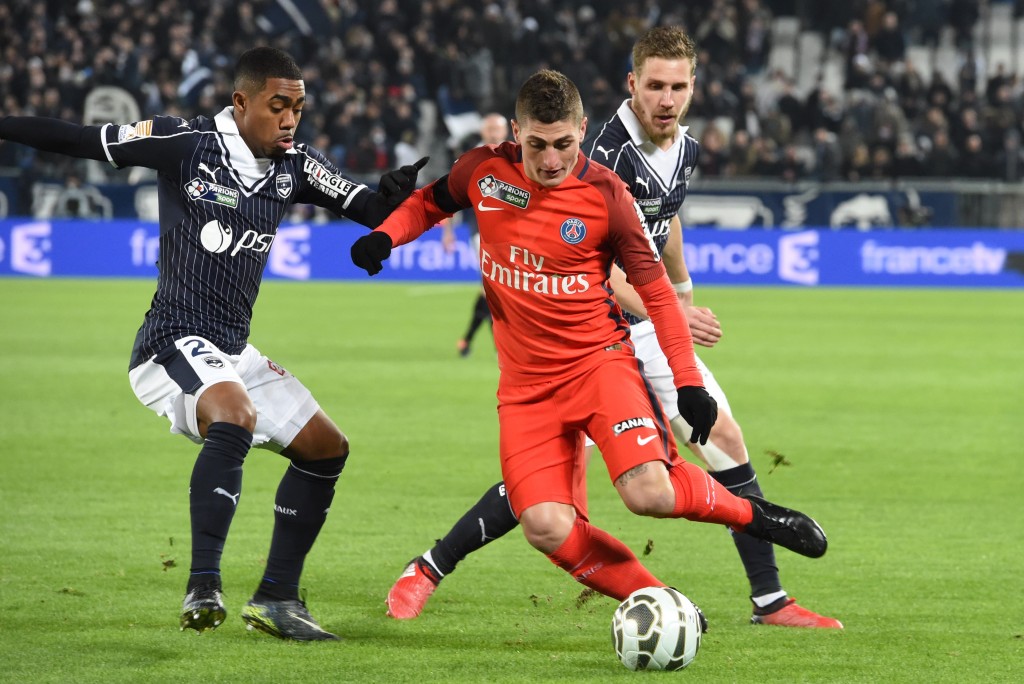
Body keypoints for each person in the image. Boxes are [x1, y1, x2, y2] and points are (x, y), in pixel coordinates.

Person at [384, 28, 842, 629]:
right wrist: (667, 312)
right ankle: (431, 566)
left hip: (636, 325)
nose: (667, 99)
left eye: (678, 87)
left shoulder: (683, 148)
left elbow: (664, 221)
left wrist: (681, 293)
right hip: (600, 328)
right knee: (559, 489)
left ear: (694, 88)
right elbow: (593, 268)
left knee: (704, 444)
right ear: (633, 85)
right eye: (655, 85)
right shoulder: (602, 154)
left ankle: (769, 599)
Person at [0, 46, 426, 641]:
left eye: (298, 109)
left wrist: (394, 192)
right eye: (278, 107)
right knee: (236, 416)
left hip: (233, 351)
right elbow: (78, 139)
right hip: (169, 341)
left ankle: (276, 598)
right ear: (241, 102)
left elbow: (370, 207)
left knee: (327, 449)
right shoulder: (185, 142)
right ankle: (203, 583)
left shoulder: (294, 165)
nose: (289, 121)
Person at [441, 112, 511, 357]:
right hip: (481, 231)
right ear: (483, 132)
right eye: (490, 128)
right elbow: (452, 196)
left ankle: (470, 341)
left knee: (495, 288)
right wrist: (447, 233)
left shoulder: (515, 156)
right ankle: (496, 344)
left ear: (506, 131)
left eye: (497, 129)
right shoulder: (471, 160)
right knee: (492, 286)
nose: (493, 133)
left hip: (511, 233)